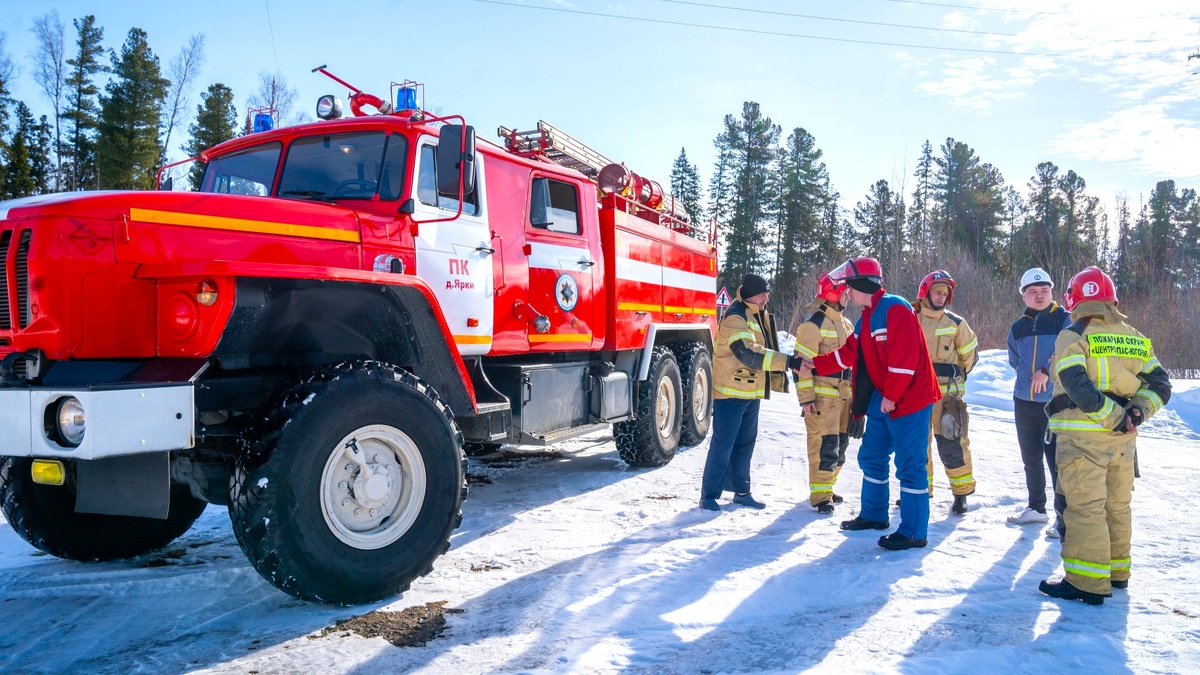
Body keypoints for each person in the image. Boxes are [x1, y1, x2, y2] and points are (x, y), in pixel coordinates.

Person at [1038, 266, 1171, 605]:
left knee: (1084, 508)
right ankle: (1116, 573)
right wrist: (1136, 413)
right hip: (1123, 441)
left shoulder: (1074, 334)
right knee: (1117, 506)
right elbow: (1161, 384)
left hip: (1083, 439)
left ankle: (1086, 582)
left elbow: (1074, 381)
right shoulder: (1134, 336)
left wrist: (1112, 417)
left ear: (1074, 300)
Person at [805, 257, 941, 550]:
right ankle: (875, 514)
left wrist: (891, 396)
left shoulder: (895, 308)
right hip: (886, 396)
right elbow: (847, 355)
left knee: (910, 464)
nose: (847, 294)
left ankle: (915, 532)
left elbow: (905, 360)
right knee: (872, 455)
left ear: (861, 285)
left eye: (849, 288)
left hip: (911, 398)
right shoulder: (866, 317)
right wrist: (812, 364)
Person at [700, 272, 798, 511]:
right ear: (750, 295)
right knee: (723, 445)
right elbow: (748, 354)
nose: (766, 298)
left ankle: (742, 492)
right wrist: (787, 362)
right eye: (763, 294)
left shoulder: (755, 314)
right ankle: (709, 495)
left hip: (749, 392)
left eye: (767, 294)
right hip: (730, 394)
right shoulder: (735, 316)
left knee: (745, 444)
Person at [1006, 267, 1070, 536]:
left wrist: (1045, 370)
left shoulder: (1065, 320)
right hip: (1024, 401)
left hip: (1055, 401)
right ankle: (1036, 509)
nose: (1039, 296)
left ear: (1052, 292)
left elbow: (1069, 353)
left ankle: (1063, 518)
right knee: (1030, 458)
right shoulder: (1018, 327)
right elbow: (1014, 360)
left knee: (1057, 461)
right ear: (1024, 296)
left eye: (1044, 290)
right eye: (1033, 291)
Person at [914, 270, 978, 515]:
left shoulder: (956, 323)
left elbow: (969, 356)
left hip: (947, 398)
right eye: (936, 292)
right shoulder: (911, 318)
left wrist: (955, 376)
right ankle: (920, 491)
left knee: (953, 444)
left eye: (945, 293)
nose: (941, 297)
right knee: (918, 445)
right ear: (925, 292)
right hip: (916, 395)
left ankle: (961, 495)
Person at [792, 272, 856, 514]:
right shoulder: (811, 326)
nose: (848, 297)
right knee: (824, 446)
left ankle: (828, 486)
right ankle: (820, 496)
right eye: (844, 293)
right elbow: (800, 367)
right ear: (833, 293)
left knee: (841, 444)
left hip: (844, 396)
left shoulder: (847, 324)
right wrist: (806, 399)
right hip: (821, 397)